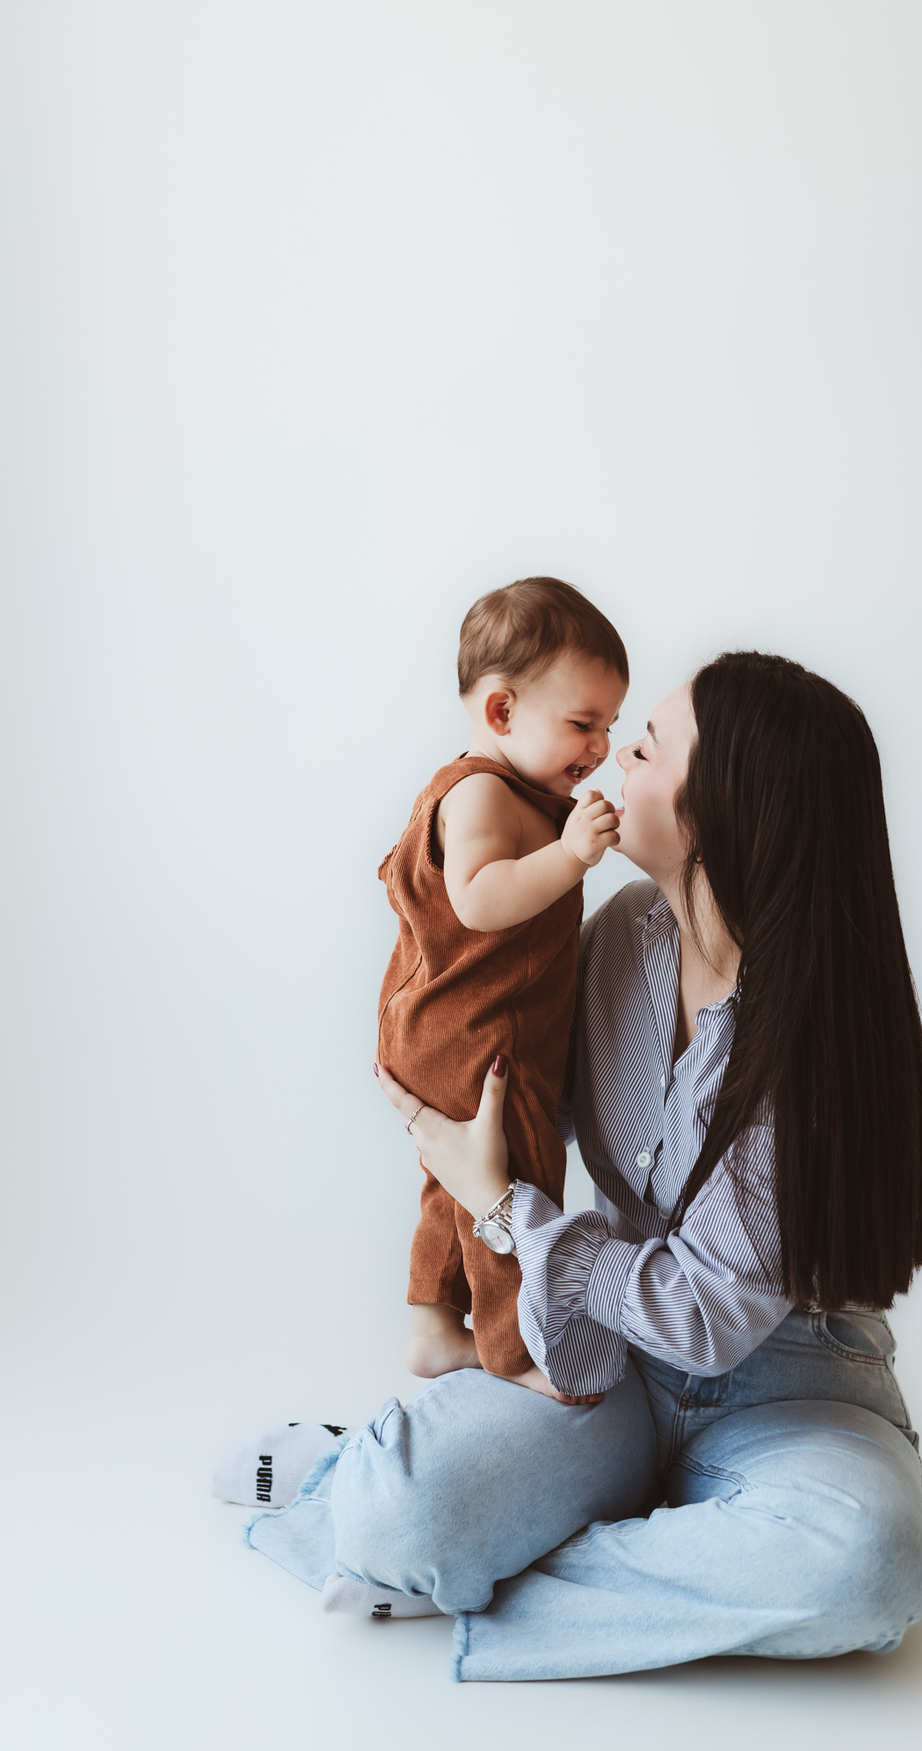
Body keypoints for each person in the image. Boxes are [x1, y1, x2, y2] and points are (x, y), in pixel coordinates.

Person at [224, 650, 922, 1681]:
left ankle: (484, 1563)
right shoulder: (617, 939)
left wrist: (502, 1206)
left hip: (792, 1387)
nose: (611, 761)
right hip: (610, 1353)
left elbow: (703, 1318)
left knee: (868, 1565)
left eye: (645, 747)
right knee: (398, 1515)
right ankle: (406, 1500)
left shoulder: (815, 1043)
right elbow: (510, 1082)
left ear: (726, 806)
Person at [376, 576, 626, 1392]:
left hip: (444, 1031)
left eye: (611, 726)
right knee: (516, 1183)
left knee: (452, 1186)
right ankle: (516, 1350)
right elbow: (480, 900)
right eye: (583, 723)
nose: (600, 746)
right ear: (501, 711)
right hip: (481, 1037)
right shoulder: (482, 791)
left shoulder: (509, 788)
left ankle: (432, 1329)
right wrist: (571, 856)